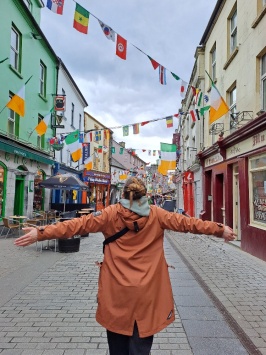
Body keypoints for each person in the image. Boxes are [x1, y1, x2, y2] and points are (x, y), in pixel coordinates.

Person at [14, 177, 236, 355]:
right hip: (147, 295)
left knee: (117, 347)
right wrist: (219, 229)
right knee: (141, 348)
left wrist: (40, 232)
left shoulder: (111, 214)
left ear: (123, 195)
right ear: (145, 196)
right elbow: (189, 224)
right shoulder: (157, 215)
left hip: (116, 295)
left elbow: (76, 225)